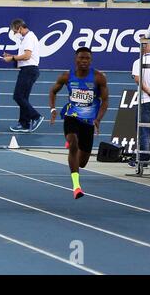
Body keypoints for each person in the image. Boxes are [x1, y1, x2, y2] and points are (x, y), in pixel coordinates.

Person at [49, 47, 108, 199]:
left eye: (87, 58)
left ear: (91, 60)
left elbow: (105, 100)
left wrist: (98, 119)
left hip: (88, 121)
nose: (84, 61)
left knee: (82, 162)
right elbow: (52, 91)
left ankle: (72, 144)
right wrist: (53, 109)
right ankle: (76, 186)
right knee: (73, 142)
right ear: (76, 59)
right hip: (71, 116)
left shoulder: (98, 78)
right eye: (81, 58)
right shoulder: (67, 76)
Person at [3, 18, 43, 133]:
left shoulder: (29, 38)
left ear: (20, 28)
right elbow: (24, 56)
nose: (15, 34)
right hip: (29, 70)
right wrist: (11, 56)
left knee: (18, 96)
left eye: (15, 31)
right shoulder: (27, 38)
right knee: (23, 98)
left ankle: (36, 116)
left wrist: (12, 58)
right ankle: (24, 123)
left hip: (29, 70)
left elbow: (27, 56)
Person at [129, 43, 150, 168]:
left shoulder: (138, 61)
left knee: (143, 130)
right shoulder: (139, 61)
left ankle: (143, 160)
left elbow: (138, 79)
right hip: (147, 99)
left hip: (145, 100)